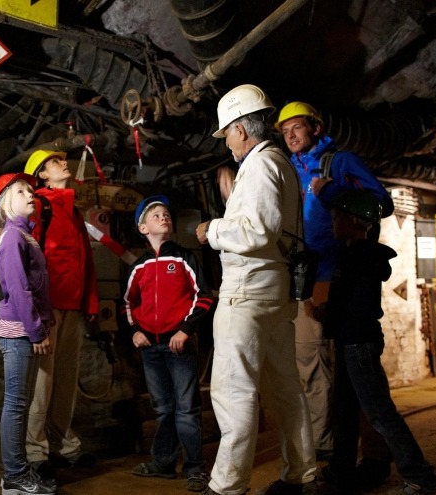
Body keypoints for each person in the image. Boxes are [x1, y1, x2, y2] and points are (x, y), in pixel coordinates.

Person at [195, 84, 317, 495]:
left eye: (227, 132)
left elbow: (258, 230)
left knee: (234, 392)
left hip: (248, 294)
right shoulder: (278, 164)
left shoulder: (262, 164)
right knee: (285, 388)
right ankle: (300, 474)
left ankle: (227, 485)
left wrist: (211, 229)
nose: (227, 142)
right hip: (272, 295)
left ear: (241, 129)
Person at [276, 101, 395, 486]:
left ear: (315, 127)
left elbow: (382, 204)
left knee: (356, 371)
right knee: (312, 368)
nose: (291, 135)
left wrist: (334, 192)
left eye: (296, 127)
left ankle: (376, 458)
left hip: (340, 276)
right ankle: (333, 453)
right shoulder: (289, 169)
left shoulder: (339, 163)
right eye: (285, 130)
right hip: (306, 279)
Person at [314, 190, 436, 495]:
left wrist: (326, 313)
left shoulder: (359, 259)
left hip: (358, 343)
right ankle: (341, 471)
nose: (332, 223)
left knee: (380, 412)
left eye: (337, 218)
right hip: (350, 342)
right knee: (344, 411)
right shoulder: (356, 256)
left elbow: (353, 306)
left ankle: (421, 477)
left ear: (354, 221)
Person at [125, 195, 214, 493]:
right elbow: (128, 302)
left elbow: (204, 296)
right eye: (155, 215)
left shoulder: (185, 259)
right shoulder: (138, 267)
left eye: (166, 214)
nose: (163, 217)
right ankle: (163, 463)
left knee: (187, 409)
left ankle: (195, 468)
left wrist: (185, 330)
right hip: (151, 348)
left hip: (180, 346)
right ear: (143, 228)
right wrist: (135, 330)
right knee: (163, 408)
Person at [23, 150, 99, 478]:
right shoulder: (39, 206)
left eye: (61, 160)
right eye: (55, 163)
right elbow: (28, 261)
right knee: (43, 380)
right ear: (41, 175)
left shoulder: (72, 210)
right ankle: (35, 450)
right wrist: (36, 312)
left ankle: (63, 444)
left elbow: (85, 259)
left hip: (72, 305)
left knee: (66, 378)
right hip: (50, 306)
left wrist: (90, 302)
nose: (63, 163)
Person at [0, 172, 57, 495]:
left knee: (20, 402)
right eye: (21, 191)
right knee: (16, 403)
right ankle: (14, 474)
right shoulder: (13, 237)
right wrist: (37, 331)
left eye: (31, 189)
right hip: (17, 331)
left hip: (24, 330)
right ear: (5, 203)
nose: (30, 194)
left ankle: (19, 471)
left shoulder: (24, 235)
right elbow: (19, 288)